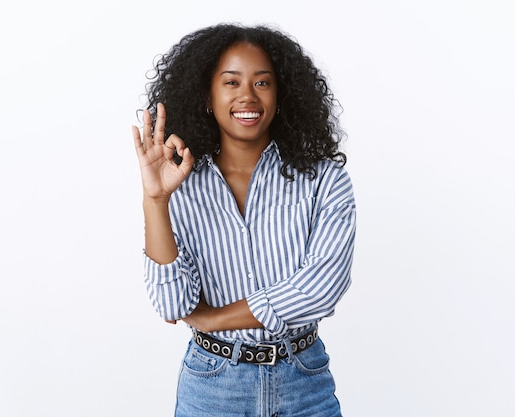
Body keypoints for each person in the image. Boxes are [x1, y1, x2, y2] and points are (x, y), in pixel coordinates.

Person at [132, 22, 356, 417]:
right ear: (208, 95)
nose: (247, 96)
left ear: (281, 94)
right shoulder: (181, 183)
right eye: (231, 82)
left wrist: (214, 318)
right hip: (213, 387)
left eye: (263, 83)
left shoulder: (324, 178)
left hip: (303, 381)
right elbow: (171, 303)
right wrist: (156, 199)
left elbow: (321, 287)